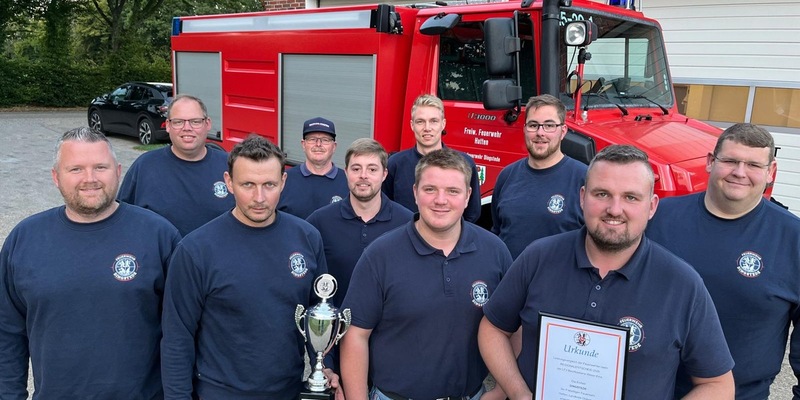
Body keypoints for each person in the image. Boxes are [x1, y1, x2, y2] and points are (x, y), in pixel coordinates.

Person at [478, 144, 735, 399]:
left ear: (653, 206)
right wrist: (519, 393)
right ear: (581, 197)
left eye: (631, 197)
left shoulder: (682, 283)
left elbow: (718, 385)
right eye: (601, 194)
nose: (614, 209)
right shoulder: (538, 257)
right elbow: (493, 329)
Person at [0, 127, 180, 399]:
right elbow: (7, 333)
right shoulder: (25, 239)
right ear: (56, 177)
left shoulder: (159, 235)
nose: (90, 179)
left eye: (100, 167)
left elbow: (184, 331)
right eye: (75, 169)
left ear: (118, 171)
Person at [160, 134, 339, 399]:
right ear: (229, 183)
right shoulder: (196, 249)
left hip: (287, 390)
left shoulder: (307, 237)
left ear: (283, 182)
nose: (259, 197)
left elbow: (319, 313)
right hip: (219, 393)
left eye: (269, 184)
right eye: (248, 185)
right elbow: (177, 338)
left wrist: (325, 366)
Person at [340, 148, 513, 400]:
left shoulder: (495, 251)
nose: (440, 200)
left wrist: (501, 390)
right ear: (415, 193)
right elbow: (356, 335)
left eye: (452, 191)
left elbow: (512, 326)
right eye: (430, 189)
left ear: (467, 196)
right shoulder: (380, 255)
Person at [646, 123, 800, 399]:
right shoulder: (659, 218)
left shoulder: (793, 238)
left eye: (753, 164)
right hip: (652, 389)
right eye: (730, 160)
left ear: (771, 172)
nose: (739, 172)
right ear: (710, 162)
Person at [306, 138, 414, 308]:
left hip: (387, 331)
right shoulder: (319, 222)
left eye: (372, 169)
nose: (363, 175)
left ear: (384, 174)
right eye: (356, 168)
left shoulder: (408, 223)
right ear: (346, 172)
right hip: (333, 328)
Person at [117, 94, 234, 236]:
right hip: (162, 257)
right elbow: (121, 220)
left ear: (207, 124)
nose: (187, 128)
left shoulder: (230, 166)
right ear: (167, 125)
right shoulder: (144, 167)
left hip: (217, 256)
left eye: (195, 121)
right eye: (178, 122)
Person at [491, 94, 586, 258]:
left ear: (563, 131)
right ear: (524, 129)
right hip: (510, 281)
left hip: (559, 282)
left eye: (549, 125)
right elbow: (497, 232)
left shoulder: (583, 178)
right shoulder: (507, 176)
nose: (540, 133)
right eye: (533, 125)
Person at [383, 94, 482, 222]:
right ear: (412, 125)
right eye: (420, 122)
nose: (427, 128)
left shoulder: (465, 163)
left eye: (433, 121)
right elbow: (386, 208)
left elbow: (472, 214)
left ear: (443, 124)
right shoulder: (394, 164)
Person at [278, 116, 349, 219]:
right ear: (303, 144)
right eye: (312, 139)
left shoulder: (348, 181)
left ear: (334, 146)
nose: (318, 144)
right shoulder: (284, 180)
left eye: (325, 140)